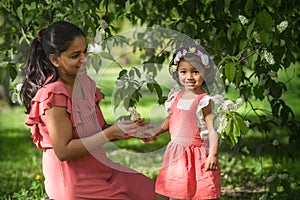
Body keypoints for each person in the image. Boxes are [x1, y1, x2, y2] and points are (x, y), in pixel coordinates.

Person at [20, 20, 156, 200]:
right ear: (55, 60)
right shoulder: (53, 94)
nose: (84, 59)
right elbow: (63, 151)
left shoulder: (85, 84)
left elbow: (98, 129)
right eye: (75, 55)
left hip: (102, 168)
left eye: (85, 52)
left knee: (158, 193)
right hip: (74, 181)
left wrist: (129, 130)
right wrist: (110, 134)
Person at [140, 46, 221, 199]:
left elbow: (212, 128)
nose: (189, 76)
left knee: (197, 192)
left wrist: (213, 154)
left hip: (196, 154)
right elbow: (172, 119)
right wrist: (156, 130)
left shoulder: (203, 101)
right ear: (177, 73)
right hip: (176, 153)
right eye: (183, 72)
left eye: (195, 71)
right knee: (174, 190)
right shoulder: (176, 96)